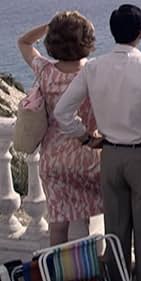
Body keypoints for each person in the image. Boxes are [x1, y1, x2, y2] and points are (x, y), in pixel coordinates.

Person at [54, 4, 141, 281]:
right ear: (140, 32)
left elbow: (62, 111)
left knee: (116, 232)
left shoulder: (94, 68)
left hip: (110, 154)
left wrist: (86, 137)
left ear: (112, 32)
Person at [17, 11, 102, 246]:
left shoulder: (45, 71)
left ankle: (57, 273)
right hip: (87, 154)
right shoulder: (93, 72)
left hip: (53, 157)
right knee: (84, 222)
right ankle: (87, 270)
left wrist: (51, 25)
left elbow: (23, 41)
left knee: (58, 224)